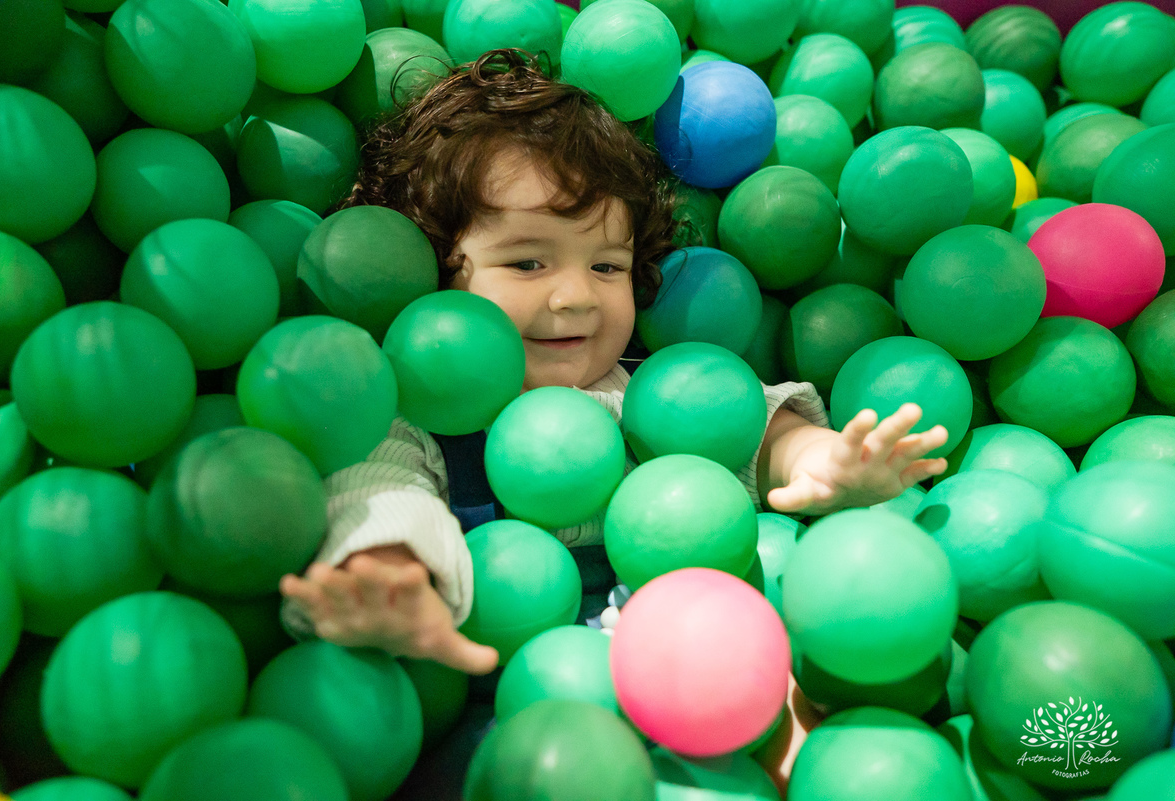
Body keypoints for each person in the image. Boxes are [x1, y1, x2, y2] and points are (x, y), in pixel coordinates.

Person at [279, 48, 950, 677]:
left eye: (606, 265)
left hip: (685, 665)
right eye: (528, 262)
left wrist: (818, 460)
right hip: (505, 692)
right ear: (430, 266)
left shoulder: (635, 396)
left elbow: (745, 427)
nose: (574, 298)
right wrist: (388, 572)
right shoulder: (414, 413)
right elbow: (379, 489)